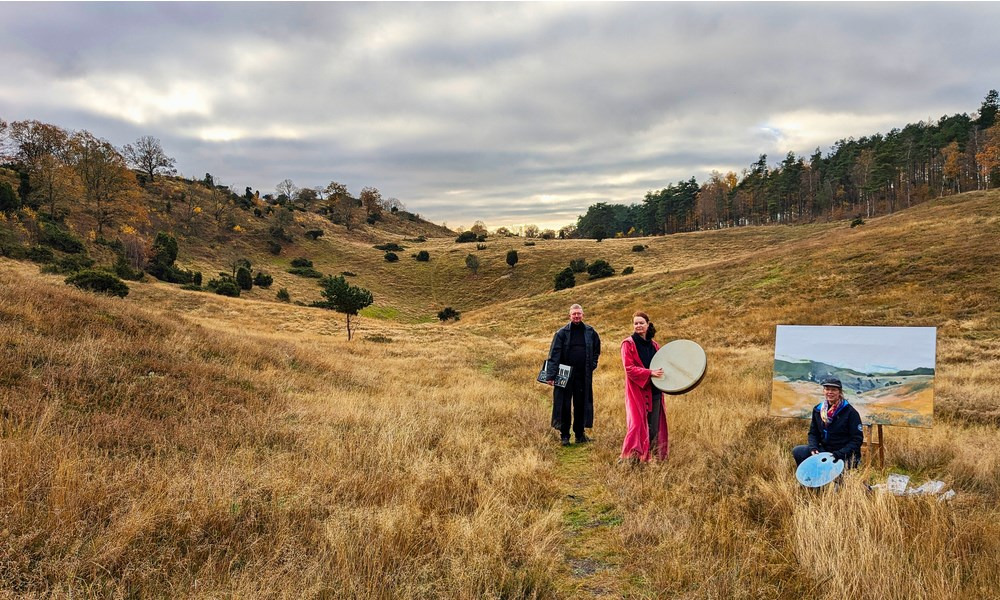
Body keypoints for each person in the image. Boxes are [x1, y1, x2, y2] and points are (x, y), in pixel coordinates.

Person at [546, 304, 601, 446]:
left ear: (583, 315)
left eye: (579, 314)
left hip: (583, 375)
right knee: (564, 405)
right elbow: (554, 354)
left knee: (581, 404)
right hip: (564, 375)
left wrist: (592, 364)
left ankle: (579, 434)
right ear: (569, 316)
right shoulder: (561, 333)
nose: (576, 316)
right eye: (574, 314)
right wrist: (551, 375)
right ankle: (564, 435)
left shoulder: (590, 332)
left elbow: (596, 350)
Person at [620, 311, 669, 463]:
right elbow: (629, 368)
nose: (638, 326)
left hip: (654, 392)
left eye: (641, 323)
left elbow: (664, 366)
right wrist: (649, 373)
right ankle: (628, 458)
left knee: (653, 428)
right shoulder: (628, 344)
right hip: (637, 392)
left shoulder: (655, 345)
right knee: (636, 425)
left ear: (648, 325)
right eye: (636, 323)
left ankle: (648, 458)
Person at [792, 377, 864, 468]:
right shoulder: (818, 410)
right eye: (827, 389)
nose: (830, 392)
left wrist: (838, 454)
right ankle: (810, 480)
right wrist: (813, 447)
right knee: (798, 451)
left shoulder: (850, 412)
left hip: (843, 454)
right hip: (825, 451)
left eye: (833, 390)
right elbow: (813, 433)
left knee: (839, 477)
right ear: (823, 391)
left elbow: (857, 440)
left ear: (840, 392)